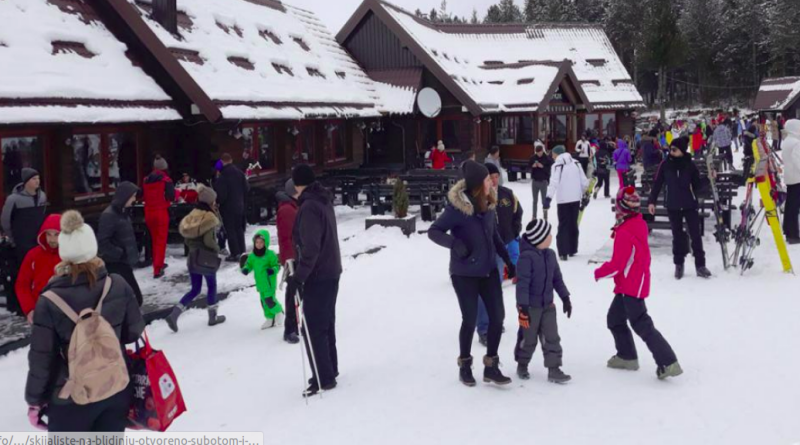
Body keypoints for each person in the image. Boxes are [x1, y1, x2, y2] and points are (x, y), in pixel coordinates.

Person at [25, 210, 145, 432]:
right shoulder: (117, 284)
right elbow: (134, 332)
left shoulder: (49, 300)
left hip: (70, 397)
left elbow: (42, 359)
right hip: (115, 387)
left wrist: (34, 401)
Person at [429, 161, 515, 387]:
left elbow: (494, 235)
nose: (492, 182)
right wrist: (454, 243)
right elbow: (433, 231)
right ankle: (465, 365)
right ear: (478, 184)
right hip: (464, 273)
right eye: (488, 179)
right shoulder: (457, 209)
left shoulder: (488, 203)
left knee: (497, 317)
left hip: (488, 270)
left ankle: (491, 366)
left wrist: (508, 260)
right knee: (469, 320)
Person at [594, 187, 683, 380]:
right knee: (615, 319)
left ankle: (668, 362)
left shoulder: (625, 231)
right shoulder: (636, 222)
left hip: (631, 285)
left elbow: (618, 264)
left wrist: (599, 272)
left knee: (641, 323)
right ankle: (627, 356)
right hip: (632, 282)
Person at [288, 165, 343, 397]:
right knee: (326, 322)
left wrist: (299, 276)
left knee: (313, 326)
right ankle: (330, 369)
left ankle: (323, 377)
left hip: (318, 273)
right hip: (330, 269)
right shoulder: (322, 199)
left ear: (298, 184)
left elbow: (311, 247)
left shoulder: (309, 206)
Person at [513, 219, 572, 384]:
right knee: (528, 339)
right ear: (539, 238)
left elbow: (557, 279)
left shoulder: (550, 254)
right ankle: (522, 364)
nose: (551, 237)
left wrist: (565, 298)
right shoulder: (526, 258)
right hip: (530, 308)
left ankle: (554, 369)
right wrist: (523, 307)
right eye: (548, 235)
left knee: (551, 337)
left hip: (548, 306)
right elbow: (522, 285)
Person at [648, 137, 712, 279]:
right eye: (670, 149)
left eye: (674, 149)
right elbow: (657, 183)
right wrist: (651, 201)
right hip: (673, 205)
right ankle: (679, 265)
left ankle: (700, 265)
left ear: (682, 151)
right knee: (677, 237)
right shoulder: (665, 165)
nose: (671, 151)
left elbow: (697, 185)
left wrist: (708, 179)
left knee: (696, 235)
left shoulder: (690, 165)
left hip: (689, 204)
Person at [475, 163, 522, 345]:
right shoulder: (478, 198)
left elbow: (518, 212)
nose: (494, 180)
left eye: (496, 176)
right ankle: (484, 328)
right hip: (483, 251)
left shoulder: (507, 194)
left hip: (502, 247)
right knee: (483, 290)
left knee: (496, 288)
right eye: (490, 177)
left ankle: (495, 320)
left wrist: (514, 231)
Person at [166, 185, 224, 332]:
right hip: (206, 258)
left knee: (195, 289)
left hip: (192, 257)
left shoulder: (192, 215)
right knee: (211, 286)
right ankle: (213, 317)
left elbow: (187, 238)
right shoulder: (209, 218)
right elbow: (209, 241)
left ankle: (174, 314)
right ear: (210, 201)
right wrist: (219, 249)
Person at [97, 182, 143, 306]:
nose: (134, 199)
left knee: (130, 298)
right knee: (134, 298)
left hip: (125, 262)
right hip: (115, 264)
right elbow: (102, 241)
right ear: (125, 196)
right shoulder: (109, 215)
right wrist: (120, 253)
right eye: (132, 196)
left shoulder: (123, 212)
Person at [544, 145, 589, 261]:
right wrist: (585, 193)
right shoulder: (576, 163)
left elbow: (553, 182)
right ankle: (573, 248)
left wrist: (548, 198)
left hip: (563, 200)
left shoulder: (557, 165)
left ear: (557, 153)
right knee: (573, 223)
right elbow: (584, 180)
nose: (552, 156)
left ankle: (563, 252)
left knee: (563, 224)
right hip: (575, 198)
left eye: (553, 154)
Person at [15, 214, 60, 323]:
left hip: (66, 311)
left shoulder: (71, 255)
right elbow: (22, 284)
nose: (52, 239)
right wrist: (30, 309)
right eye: (48, 234)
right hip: (41, 310)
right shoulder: (33, 255)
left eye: (56, 234)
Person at [1, 168, 47, 264]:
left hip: (38, 241)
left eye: (38, 178)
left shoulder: (42, 196)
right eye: (34, 179)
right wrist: (13, 239)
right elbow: (5, 220)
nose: (37, 181)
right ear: (26, 181)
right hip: (22, 242)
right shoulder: (13, 199)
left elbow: (43, 214)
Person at [241, 230, 283, 330]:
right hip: (260, 284)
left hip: (269, 283)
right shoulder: (252, 256)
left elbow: (277, 265)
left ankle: (279, 312)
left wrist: (273, 270)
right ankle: (269, 318)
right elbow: (249, 264)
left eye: (261, 242)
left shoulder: (270, 254)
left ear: (266, 242)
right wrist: (246, 269)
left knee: (270, 300)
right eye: (257, 242)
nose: (259, 244)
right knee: (263, 302)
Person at [142, 156, 175, 279]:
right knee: (161, 241)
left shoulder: (146, 180)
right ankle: (158, 268)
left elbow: (143, 195)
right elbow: (171, 196)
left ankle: (158, 262)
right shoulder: (166, 180)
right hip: (161, 212)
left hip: (149, 213)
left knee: (154, 239)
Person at [276, 179, 301, 343]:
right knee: (292, 292)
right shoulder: (287, 210)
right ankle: (289, 329)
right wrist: (289, 258)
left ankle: (298, 323)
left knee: (300, 292)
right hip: (293, 258)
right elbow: (285, 238)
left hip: (299, 255)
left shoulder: (294, 206)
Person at [215, 153, 250, 260]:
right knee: (239, 228)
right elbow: (246, 188)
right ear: (231, 160)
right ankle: (242, 250)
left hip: (228, 207)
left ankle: (235, 253)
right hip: (239, 205)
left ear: (222, 161)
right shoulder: (240, 173)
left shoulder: (223, 175)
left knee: (230, 230)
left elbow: (222, 194)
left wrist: (218, 202)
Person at [782, 119, 800, 244]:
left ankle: (788, 229)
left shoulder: (787, 141)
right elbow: (798, 161)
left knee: (790, 205)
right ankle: (793, 234)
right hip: (797, 177)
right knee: (794, 207)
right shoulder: (796, 143)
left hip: (789, 176)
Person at [528, 143, 553, 220]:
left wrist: (543, 167)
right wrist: (532, 166)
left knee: (544, 200)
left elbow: (550, 169)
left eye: (540, 152)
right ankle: (534, 216)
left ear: (542, 151)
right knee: (535, 200)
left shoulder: (547, 158)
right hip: (535, 181)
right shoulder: (533, 157)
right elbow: (528, 166)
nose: (539, 154)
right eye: (537, 152)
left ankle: (545, 216)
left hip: (543, 182)